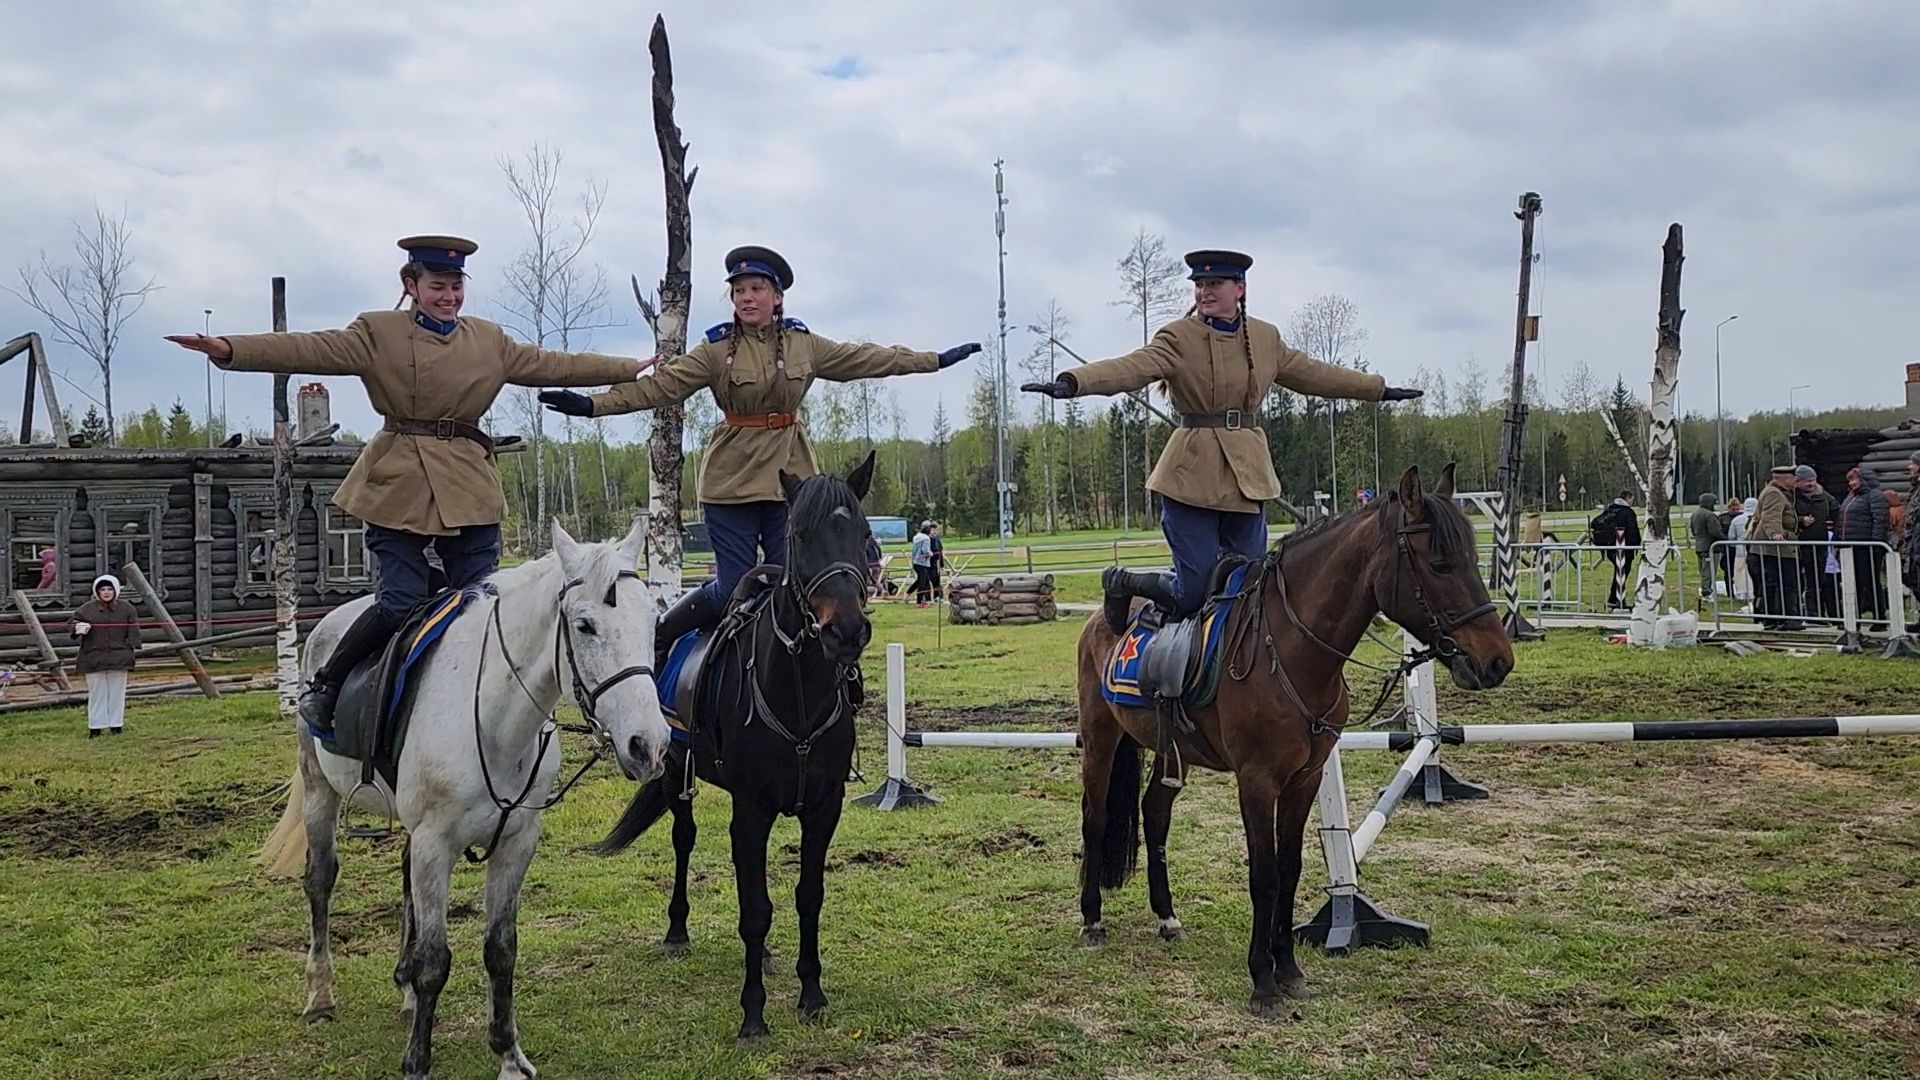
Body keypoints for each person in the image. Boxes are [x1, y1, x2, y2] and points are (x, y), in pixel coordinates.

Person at [165, 235, 649, 739]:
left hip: (469, 486)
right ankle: (328, 684)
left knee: (483, 607)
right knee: (400, 602)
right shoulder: (379, 333)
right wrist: (231, 349)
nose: (449, 296)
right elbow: (310, 347)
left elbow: (553, 363)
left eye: (456, 286)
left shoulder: (488, 341)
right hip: (397, 482)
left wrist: (625, 367)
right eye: (437, 286)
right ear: (411, 284)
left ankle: (485, 719)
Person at [540, 245, 979, 648]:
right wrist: (593, 405)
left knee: (795, 584)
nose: (746, 298)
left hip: (792, 483)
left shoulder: (804, 343)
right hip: (731, 483)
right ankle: (659, 642)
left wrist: (933, 361)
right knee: (734, 588)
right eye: (739, 290)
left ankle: (818, 678)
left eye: (756, 289)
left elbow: (866, 358)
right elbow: (660, 387)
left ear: (777, 296)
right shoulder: (714, 350)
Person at [1020, 249, 1419, 619]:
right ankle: (1123, 582)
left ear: (1239, 289)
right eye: (1199, 284)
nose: (1205, 292)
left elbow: (1317, 374)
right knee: (1194, 592)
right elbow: (1131, 367)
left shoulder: (1265, 338)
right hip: (1189, 479)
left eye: (1215, 284)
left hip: (1247, 479)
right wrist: (1074, 382)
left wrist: (1377, 390)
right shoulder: (1178, 337)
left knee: (1250, 589)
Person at [72, 574, 138, 738]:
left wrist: (129, 650)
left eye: (109, 589)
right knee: (97, 694)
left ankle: (116, 725)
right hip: (93, 657)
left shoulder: (127, 609)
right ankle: (96, 727)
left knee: (117, 694)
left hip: (119, 657)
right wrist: (78, 627)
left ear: (115, 590)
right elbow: (72, 624)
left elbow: (134, 633)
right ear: (97, 591)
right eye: (102, 589)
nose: (106, 592)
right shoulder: (87, 609)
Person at [1838, 466, 1890, 627]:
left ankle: (1879, 618)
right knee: (1854, 583)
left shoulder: (1875, 495)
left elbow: (1880, 520)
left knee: (1870, 582)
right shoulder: (1851, 497)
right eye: (1849, 480)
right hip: (1850, 546)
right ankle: (1854, 618)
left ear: (1864, 480)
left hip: (1867, 546)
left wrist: (1875, 543)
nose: (1851, 483)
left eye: (1854, 479)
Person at [1754, 465, 1803, 629]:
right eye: (1793, 477)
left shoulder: (1775, 492)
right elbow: (1771, 516)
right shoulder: (1774, 493)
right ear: (1785, 479)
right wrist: (1776, 534)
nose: (1795, 481)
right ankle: (1786, 619)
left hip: (1775, 547)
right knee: (1785, 583)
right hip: (1777, 548)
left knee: (1775, 583)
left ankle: (1775, 618)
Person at [1794, 465, 1840, 619]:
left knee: (1816, 582)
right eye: (1807, 481)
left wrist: (1836, 534)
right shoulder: (1792, 496)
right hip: (1797, 544)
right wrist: (1800, 520)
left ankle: (1816, 614)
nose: (1811, 484)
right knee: (1795, 581)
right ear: (1798, 481)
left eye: (1813, 480)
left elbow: (1837, 512)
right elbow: (1785, 516)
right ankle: (1797, 613)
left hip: (1819, 544)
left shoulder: (1824, 496)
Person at [1590, 491, 1642, 610]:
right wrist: (1636, 546)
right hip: (1624, 548)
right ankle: (1617, 600)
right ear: (1627, 498)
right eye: (1631, 499)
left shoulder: (1610, 509)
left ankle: (1614, 598)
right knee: (1622, 571)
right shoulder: (1628, 513)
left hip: (1609, 547)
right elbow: (1632, 531)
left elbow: (1595, 523)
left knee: (1619, 572)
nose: (1632, 502)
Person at [1687, 492, 1727, 600]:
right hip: (1710, 547)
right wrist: (1725, 538)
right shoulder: (1710, 515)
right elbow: (1715, 532)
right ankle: (1706, 592)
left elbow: (1693, 531)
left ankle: (1705, 590)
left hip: (1699, 546)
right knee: (1709, 571)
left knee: (1703, 570)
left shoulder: (1694, 514)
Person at [909, 523, 935, 607]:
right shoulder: (926, 538)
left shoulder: (916, 537)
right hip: (922, 562)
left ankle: (909, 592)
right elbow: (925, 551)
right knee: (923, 581)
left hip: (915, 562)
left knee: (920, 579)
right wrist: (931, 553)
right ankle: (919, 600)